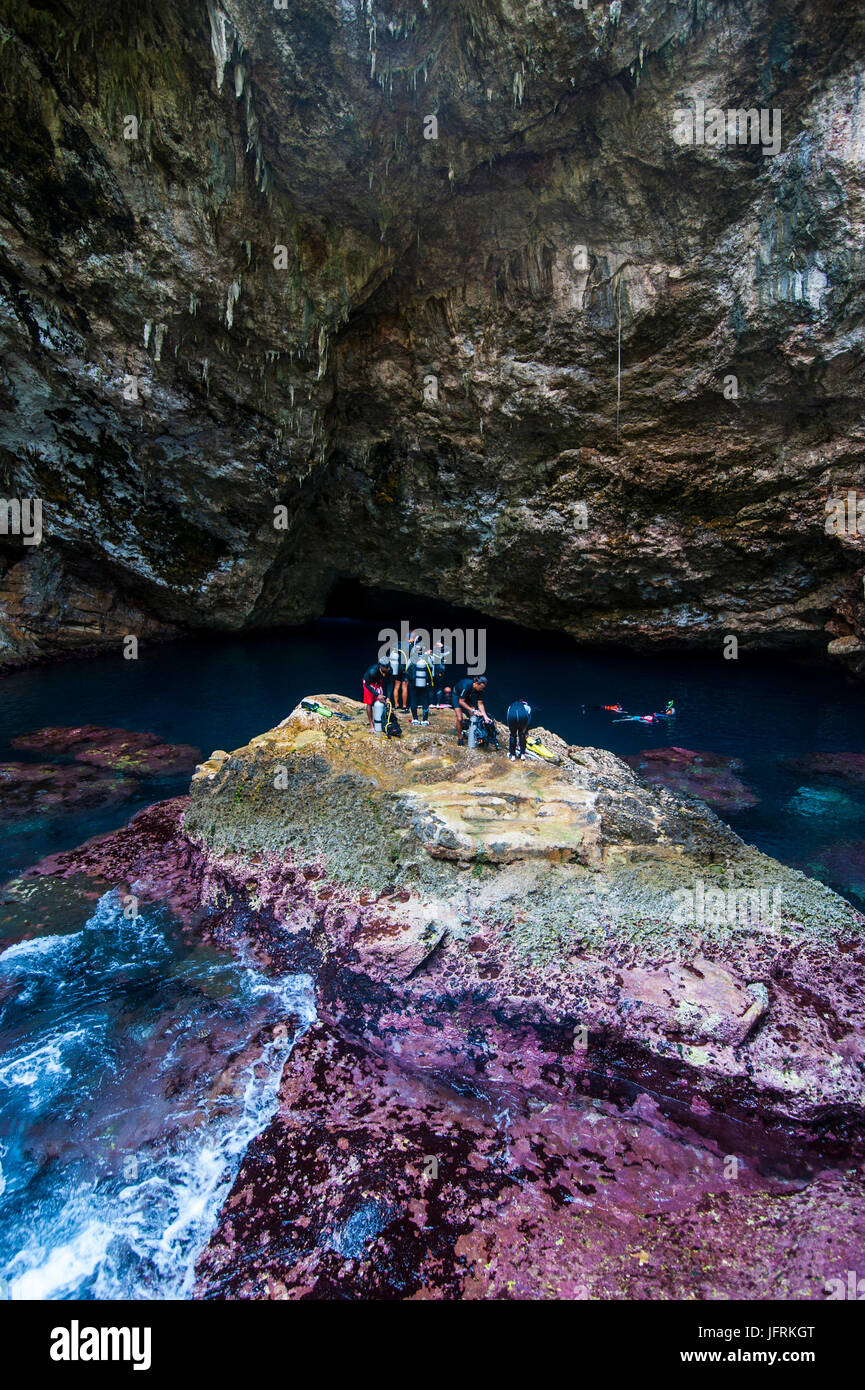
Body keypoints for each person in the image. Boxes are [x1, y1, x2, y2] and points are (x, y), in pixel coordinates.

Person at [452, 675, 489, 746]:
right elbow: (461, 701)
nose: (481, 689)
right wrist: (473, 710)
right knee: (459, 718)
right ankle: (460, 737)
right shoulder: (466, 685)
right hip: (457, 696)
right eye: (481, 687)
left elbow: (480, 704)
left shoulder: (480, 690)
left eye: (483, 688)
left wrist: (485, 717)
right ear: (475, 683)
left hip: (467, 696)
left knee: (474, 717)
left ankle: (471, 732)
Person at [362, 660, 390, 729]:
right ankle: (371, 724)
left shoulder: (389, 670)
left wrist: (388, 697)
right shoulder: (372, 671)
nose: (389, 668)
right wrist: (377, 694)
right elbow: (367, 685)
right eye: (387, 667)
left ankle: (383, 720)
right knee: (369, 703)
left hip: (377, 681)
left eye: (389, 666)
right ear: (381, 667)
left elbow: (390, 683)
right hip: (368, 683)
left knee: (383, 700)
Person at [409, 647, 434, 726]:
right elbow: (431, 669)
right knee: (424, 701)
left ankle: (415, 719)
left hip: (413, 683)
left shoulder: (412, 658)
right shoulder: (427, 658)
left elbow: (407, 669)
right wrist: (429, 681)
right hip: (424, 683)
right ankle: (425, 720)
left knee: (413, 700)